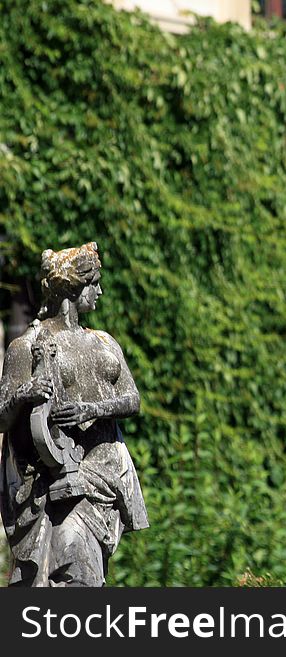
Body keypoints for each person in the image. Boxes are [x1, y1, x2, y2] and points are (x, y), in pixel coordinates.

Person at [0, 243, 148, 586]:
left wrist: (91, 409)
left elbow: (132, 399)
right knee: (72, 573)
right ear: (71, 288)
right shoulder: (27, 346)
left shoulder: (104, 343)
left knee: (86, 574)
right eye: (93, 283)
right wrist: (26, 393)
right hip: (55, 481)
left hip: (103, 476)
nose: (100, 291)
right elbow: (2, 417)